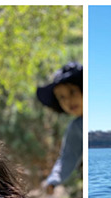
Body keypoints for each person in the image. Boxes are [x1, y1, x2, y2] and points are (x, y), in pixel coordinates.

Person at [35, 61, 83, 191]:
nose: (68, 101)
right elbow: (68, 156)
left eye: (72, 92)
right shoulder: (77, 127)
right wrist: (53, 180)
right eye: (62, 97)